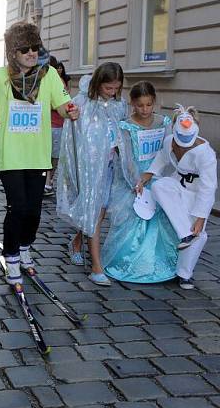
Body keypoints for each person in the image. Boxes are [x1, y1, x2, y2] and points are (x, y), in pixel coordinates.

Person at [0, 22, 78, 286]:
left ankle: (25, 247)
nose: (32, 53)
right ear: (13, 52)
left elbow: (63, 106)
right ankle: (11, 257)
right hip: (10, 155)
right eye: (25, 49)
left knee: (34, 211)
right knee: (18, 207)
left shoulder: (49, 76)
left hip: (38, 155)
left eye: (36, 47)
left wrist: (71, 111)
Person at [101, 81, 179, 283]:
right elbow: (126, 158)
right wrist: (136, 181)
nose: (144, 110)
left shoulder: (164, 122)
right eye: (140, 105)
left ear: (155, 102)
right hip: (134, 180)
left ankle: (160, 261)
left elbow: (169, 153)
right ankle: (132, 263)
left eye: (149, 104)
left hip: (159, 177)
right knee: (134, 220)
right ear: (132, 104)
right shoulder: (125, 126)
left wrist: (162, 178)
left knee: (160, 221)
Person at [57, 63, 126, 286]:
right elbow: (73, 138)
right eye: (108, 88)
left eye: (116, 88)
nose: (112, 92)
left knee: (99, 213)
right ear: (98, 83)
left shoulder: (118, 105)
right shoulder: (82, 103)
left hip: (109, 169)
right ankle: (97, 267)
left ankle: (77, 242)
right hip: (89, 170)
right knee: (94, 213)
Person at [137, 105, 217, 289]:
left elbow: (208, 187)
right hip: (178, 184)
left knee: (199, 233)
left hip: (197, 194)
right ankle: (185, 234)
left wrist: (201, 216)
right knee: (159, 185)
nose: (182, 142)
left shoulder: (206, 154)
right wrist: (147, 175)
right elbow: (162, 159)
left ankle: (184, 274)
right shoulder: (169, 141)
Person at [44, 56, 70, 196]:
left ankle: (49, 179)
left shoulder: (59, 81)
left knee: (54, 155)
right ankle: (46, 180)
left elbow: (64, 103)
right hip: (46, 124)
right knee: (48, 154)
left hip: (56, 123)